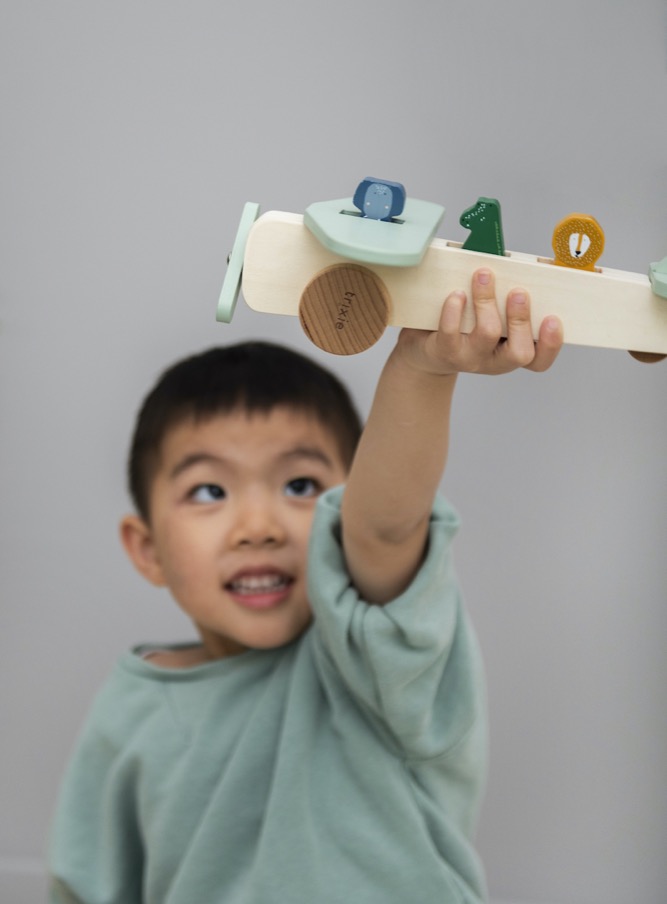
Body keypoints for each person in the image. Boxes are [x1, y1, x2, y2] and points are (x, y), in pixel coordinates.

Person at [48, 270, 563, 904]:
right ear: (147, 549)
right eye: (209, 491)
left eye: (299, 486)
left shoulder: (376, 662)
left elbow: (385, 528)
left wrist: (420, 370)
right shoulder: (125, 713)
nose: (259, 528)